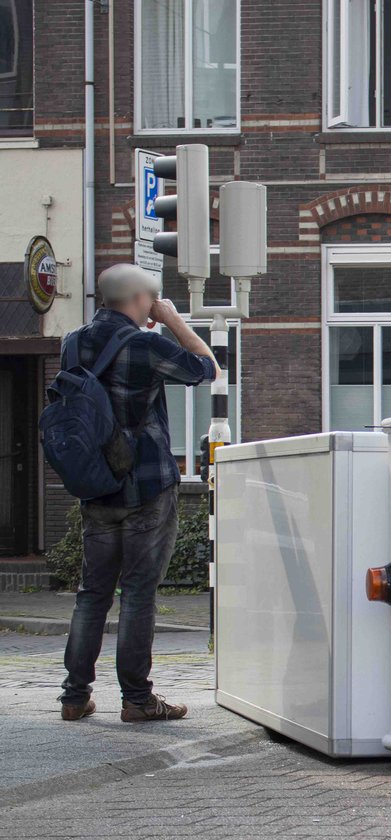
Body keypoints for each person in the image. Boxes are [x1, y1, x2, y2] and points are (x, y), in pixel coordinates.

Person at [58, 264, 220, 724]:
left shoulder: (72, 342)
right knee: (137, 594)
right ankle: (137, 699)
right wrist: (172, 320)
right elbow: (206, 369)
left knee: (92, 594)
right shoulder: (146, 344)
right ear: (143, 300)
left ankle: (74, 696)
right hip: (146, 484)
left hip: (96, 483)